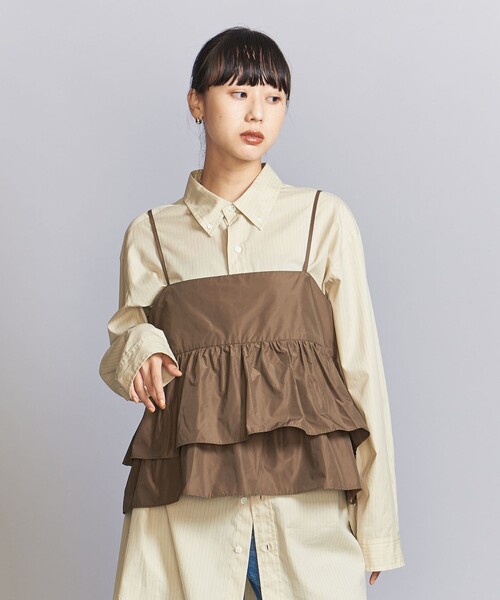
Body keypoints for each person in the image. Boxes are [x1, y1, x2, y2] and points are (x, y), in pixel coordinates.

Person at [99, 26, 405, 600]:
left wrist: (377, 525)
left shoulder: (322, 220)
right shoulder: (153, 234)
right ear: (196, 102)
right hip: (187, 521)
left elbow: (363, 373)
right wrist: (142, 349)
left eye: (273, 96)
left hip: (305, 518)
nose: (257, 112)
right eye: (238, 92)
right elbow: (124, 342)